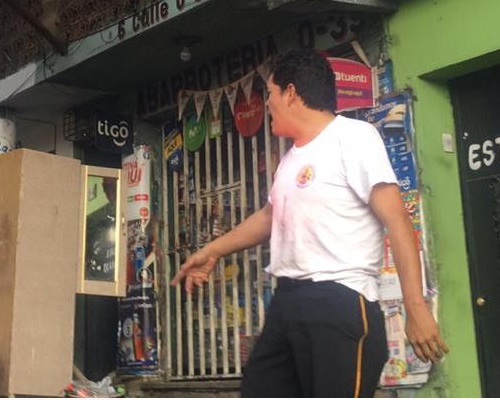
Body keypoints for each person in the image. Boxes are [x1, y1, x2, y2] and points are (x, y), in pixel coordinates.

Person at [172, 49, 447, 398]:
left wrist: (416, 307)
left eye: (269, 94)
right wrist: (211, 251)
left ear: (290, 92)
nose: (267, 103)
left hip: (340, 301)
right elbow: (270, 217)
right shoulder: (291, 159)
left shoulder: (354, 137)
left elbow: (398, 221)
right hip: (287, 303)